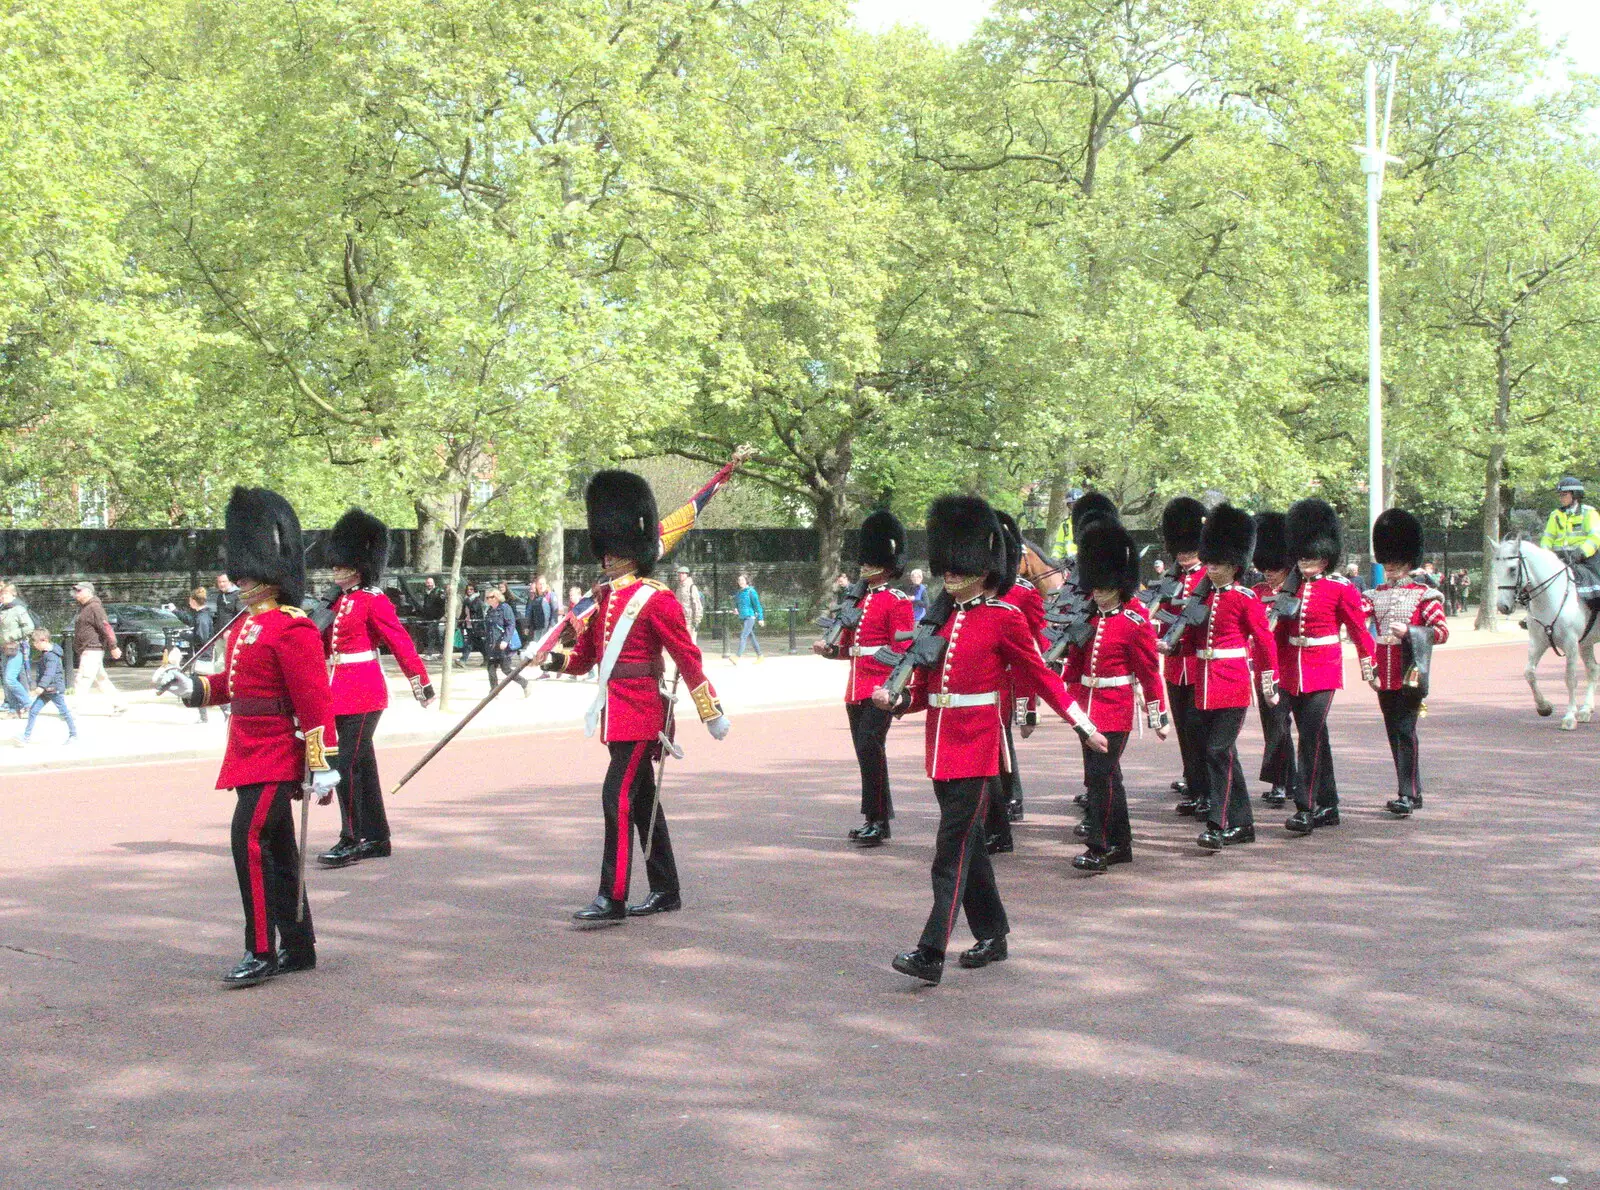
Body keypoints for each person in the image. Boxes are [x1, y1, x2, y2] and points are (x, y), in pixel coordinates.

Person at [874, 495, 1105, 987]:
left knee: (949, 852)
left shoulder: (1004, 617)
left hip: (978, 747)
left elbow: (1041, 674)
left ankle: (930, 951)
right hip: (940, 746)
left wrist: (1081, 722)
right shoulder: (939, 619)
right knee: (971, 848)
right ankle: (994, 933)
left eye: (960, 566)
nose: (950, 574)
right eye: (947, 566)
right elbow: (923, 693)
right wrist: (894, 702)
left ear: (984, 567)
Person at [152, 487, 340, 988]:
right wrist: (189, 686)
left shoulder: (292, 628)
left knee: (248, 841)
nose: (241, 581)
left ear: (271, 575)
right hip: (246, 748)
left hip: (279, 751)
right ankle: (299, 946)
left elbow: (314, 701)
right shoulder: (244, 628)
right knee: (276, 848)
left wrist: (321, 762)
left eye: (249, 573)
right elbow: (231, 688)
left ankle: (261, 949)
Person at [537, 469, 730, 924]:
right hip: (614, 710)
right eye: (604, 548)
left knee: (616, 798)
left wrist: (710, 709)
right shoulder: (604, 598)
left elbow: (687, 657)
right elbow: (586, 658)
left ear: (633, 549)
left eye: (614, 548)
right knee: (642, 802)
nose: (606, 557)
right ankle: (665, 888)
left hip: (643, 711)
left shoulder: (656, 599)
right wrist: (554, 662)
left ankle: (614, 896)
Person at [316, 509, 436, 870]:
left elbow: (400, 642)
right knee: (362, 766)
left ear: (358, 566)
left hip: (364, 693)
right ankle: (378, 837)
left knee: (344, 766)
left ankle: (350, 837)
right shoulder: (335, 601)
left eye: (341, 566)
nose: (335, 571)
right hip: (338, 692)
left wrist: (421, 684)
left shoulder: (373, 600)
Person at [1162, 504, 1279, 851]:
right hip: (1204, 684)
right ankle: (1240, 823)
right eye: (1210, 563)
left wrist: (1269, 681)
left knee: (1218, 750)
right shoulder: (1203, 599)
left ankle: (1221, 821)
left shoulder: (1244, 599)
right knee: (1215, 753)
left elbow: (1264, 641)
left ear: (1234, 565)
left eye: (1218, 564)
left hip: (1231, 684)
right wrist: (1171, 648)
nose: (1211, 570)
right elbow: (1194, 641)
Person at [1063, 521, 1168, 872]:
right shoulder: (1086, 622)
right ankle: (1121, 844)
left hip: (1116, 707)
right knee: (1108, 777)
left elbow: (1149, 673)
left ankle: (1099, 846)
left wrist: (1158, 715)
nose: (1099, 594)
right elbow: (1073, 669)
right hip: (1087, 710)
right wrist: (1069, 706)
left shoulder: (1134, 623)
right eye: (1095, 588)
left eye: (1105, 588)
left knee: (1100, 776)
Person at [813, 511, 913, 847]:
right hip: (855, 687)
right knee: (864, 751)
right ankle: (874, 818)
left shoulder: (896, 601)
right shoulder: (857, 600)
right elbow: (850, 649)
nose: (864, 567)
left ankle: (879, 819)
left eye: (872, 561)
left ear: (886, 564)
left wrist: (893, 688)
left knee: (872, 747)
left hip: (880, 686)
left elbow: (902, 650)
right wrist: (828, 650)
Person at [1277, 498, 1376, 836]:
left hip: (1323, 668)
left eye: (1313, 557)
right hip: (1292, 669)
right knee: (1315, 735)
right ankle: (1329, 803)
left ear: (1326, 555)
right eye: (1302, 557)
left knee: (1309, 735)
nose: (1307, 564)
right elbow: (1278, 633)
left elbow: (1359, 629)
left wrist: (1369, 664)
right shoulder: (1289, 588)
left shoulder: (1340, 588)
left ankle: (1305, 807)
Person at [1367, 509, 1450, 818]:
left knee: (1405, 730)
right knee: (1394, 731)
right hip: (1384, 670)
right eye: (1388, 563)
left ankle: (1407, 792)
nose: (1391, 569)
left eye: (1396, 563)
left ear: (1407, 562)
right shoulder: (1374, 595)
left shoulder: (1424, 595)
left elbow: (1441, 632)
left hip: (1409, 668)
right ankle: (1412, 791)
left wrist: (1411, 632)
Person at [983, 511, 1047, 852]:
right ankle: (1000, 801)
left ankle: (1012, 797)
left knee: (1003, 736)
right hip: (984, 678)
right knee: (994, 738)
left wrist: (1033, 692)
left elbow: (1038, 639)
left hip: (1011, 678)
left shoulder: (1023, 592)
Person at [1156, 498, 1207, 816]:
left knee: (1198, 727)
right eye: (1180, 549)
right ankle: (1194, 782)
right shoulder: (1170, 579)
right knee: (1184, 730)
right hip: (1175, 664)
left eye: (1189, 548)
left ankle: (1205, 789)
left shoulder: (1208, 578)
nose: (1184, 555)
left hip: (1200, 663)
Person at [1248, 513, 1294, 807]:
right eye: (1265, 567)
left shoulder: (1297, 591)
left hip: (1293, 665)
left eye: (1275, 568)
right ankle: (1281, 780)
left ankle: (1290, 781)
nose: (1268, 573)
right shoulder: (1255, 593)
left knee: (1287, 724)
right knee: (1274, 725)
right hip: (1265, 669)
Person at [69, 581, 127, 715]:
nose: (76, 594)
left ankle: (73, 709)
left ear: (88, 592)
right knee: (101, 679)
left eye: (79, 591)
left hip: (92, 648)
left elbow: (105, 627)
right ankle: (120, 704)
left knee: (82, 678)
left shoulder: (94, 608)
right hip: (89, 649)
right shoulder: (84, 608)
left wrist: (113, 646)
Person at [1540, 477, 1600, 599]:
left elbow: (1595, 537)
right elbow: (1547, 538)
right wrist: (1544, 554)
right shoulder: (1555, 515)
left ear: (1575, 495)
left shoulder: (1589, 513)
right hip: (1560, 558)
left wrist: (1582, 552)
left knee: (1595, 588)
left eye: (1564, 495)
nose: (1561, 498)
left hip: (1584, 559)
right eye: (1560, 495)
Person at [17, 627, 76, 746]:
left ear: (44, 640)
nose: (34, 645)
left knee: (64, 712)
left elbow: (50, 672)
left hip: (54, 689)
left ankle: (73, 734)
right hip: (47, 690)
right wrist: (41, 686)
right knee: (33, 711)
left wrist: (41, 687)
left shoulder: (51, 656)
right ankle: (26, 736)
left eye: (35, 642)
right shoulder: (46, 653)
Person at [481, 587, 528, 695]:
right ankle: (494, 691)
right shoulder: (489, 610)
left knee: (506, 669)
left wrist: (506, 640)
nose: (487, 599)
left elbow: (511, 625)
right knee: (491, 668)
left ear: (496, 598)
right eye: (487, 597)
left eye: (490, 597)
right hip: (492, 644)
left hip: (503, 644)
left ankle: (524, 683)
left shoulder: (505, 608)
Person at [181, 586, 216, 723]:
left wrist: (186, 635)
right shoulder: (202, 615)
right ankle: (204, 716)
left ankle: (223, 711)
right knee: (203, 685)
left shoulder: (202, 617)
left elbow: (200, 638)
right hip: (203, 655)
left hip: (203, 656)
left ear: (194, 601)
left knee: (202, 686)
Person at [1, 582, 35, 717]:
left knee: (10, 679)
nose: (2, 597)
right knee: (7, 680)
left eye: (5, 594)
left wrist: (11, 636)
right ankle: (14, 709)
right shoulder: (2, 609)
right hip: (4, 649)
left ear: (12, 594)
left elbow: (29, 627)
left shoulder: (18, 609)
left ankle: (27, 703)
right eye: (1, 594)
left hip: (16, 648)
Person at [731, 572, 765, 662]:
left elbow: (757, 605)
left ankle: (737, 657)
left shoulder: (751, 591)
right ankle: (760, 656)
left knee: (743, 636)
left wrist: (761, 618)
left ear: (746, 581)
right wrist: (736, 609)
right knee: (752, 637)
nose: (740, 581)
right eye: (739, 580)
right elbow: (737, 604)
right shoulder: (739, 593)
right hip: (743, 617)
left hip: (750, 617)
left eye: (742, 580)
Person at [674, 566, 705, 643]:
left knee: (691, 643)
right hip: (680, 619)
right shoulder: (678, 588)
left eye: (683, 573)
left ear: (687, 575)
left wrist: (697, 620)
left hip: (690, 620)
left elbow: (697, 605)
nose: (681, 575)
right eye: (679, 574)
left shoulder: (692, 587)